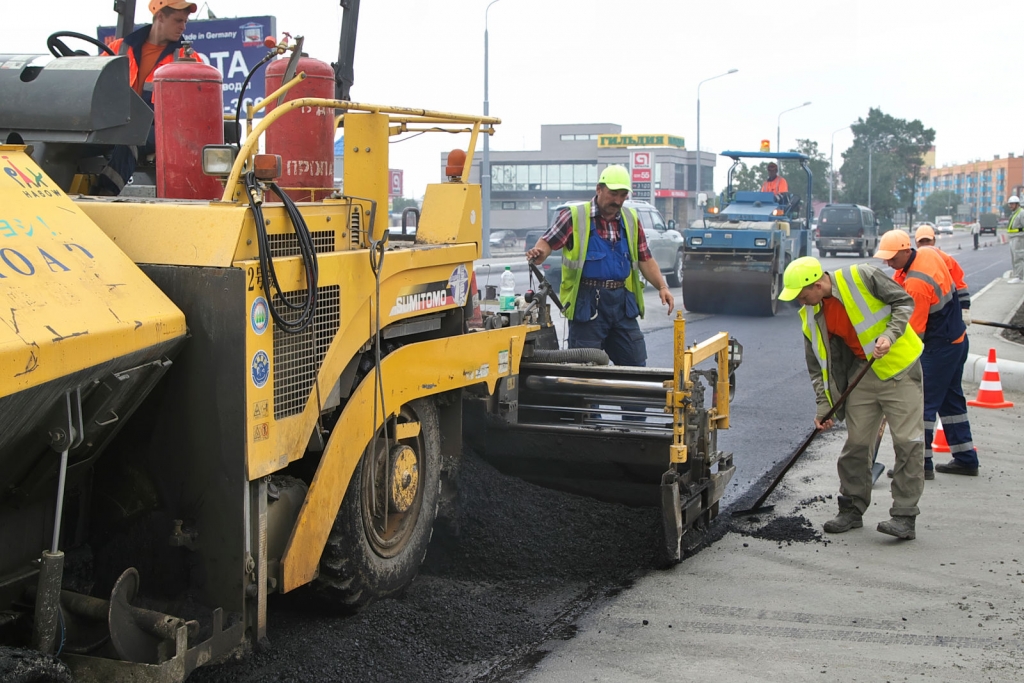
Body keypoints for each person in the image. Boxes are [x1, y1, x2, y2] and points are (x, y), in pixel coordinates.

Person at [778, 256, 924, 540]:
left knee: (908, 442)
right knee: (857, 444)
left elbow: (904, 301)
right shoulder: (809, 315)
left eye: (801, 294)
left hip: (899, 369)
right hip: (863, 371)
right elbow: (818, 365)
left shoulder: (862, 276)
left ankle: (905, 517)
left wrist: (890, 335)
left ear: (818, 284)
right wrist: (825, 406)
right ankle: (851, 509)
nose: (799, 301)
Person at [525, 165, 675, 371]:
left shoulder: (631, 220)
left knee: (636, 367)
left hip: (622, 304)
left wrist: (662, 287)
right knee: (586, 370)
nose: (618, 201)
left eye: (623, 195)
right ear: (599, 189)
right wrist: (539, 253)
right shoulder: (574, 216)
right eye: (613, 194)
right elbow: (548, 242)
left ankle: (634, 404)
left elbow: (645, 258)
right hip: (588, 304)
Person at [874, 230, 979, 477]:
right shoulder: (930, 253)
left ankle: (920, 464)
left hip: (939, 346)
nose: (888, 262)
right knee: (951, 402)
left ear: (904, 250)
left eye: (891, 258)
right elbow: (955, 273)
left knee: (921, 404)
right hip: (957, 340)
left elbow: (913, 334)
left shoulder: (917, 285)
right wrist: (963, 307)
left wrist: (890, 352)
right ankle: (966, 458)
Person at [96, 0, 197, 194]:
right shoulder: (119, 48)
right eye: (178, 20)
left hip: (162, 128)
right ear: (160, 16)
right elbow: (97, 84)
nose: (183, 27)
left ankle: (103, 194)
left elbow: (193, 107)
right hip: (117, 122)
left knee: (131, 139)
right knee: (74, 142)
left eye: (185, 22)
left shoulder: (187, 57)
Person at [914, 225, 972, 322]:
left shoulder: (946, 260)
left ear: (934, 241)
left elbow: (960, 285)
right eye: (921, 242)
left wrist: (965, 309)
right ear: (916, 243)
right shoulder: (911, 261)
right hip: (920, 309)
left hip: (945, 311)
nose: (925, 245)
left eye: (928, 241)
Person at [1007, 196, 1024, 283]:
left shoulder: (1021, 213)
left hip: (1019, 238)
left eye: (1012, 204)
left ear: (1017, 204)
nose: (1010, 206)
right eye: (1010, 204)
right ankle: (1017, 275)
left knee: (1018, 257)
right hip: (1013, 237)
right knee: (1014, 257)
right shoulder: (1015, 213)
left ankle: (1019, 277)